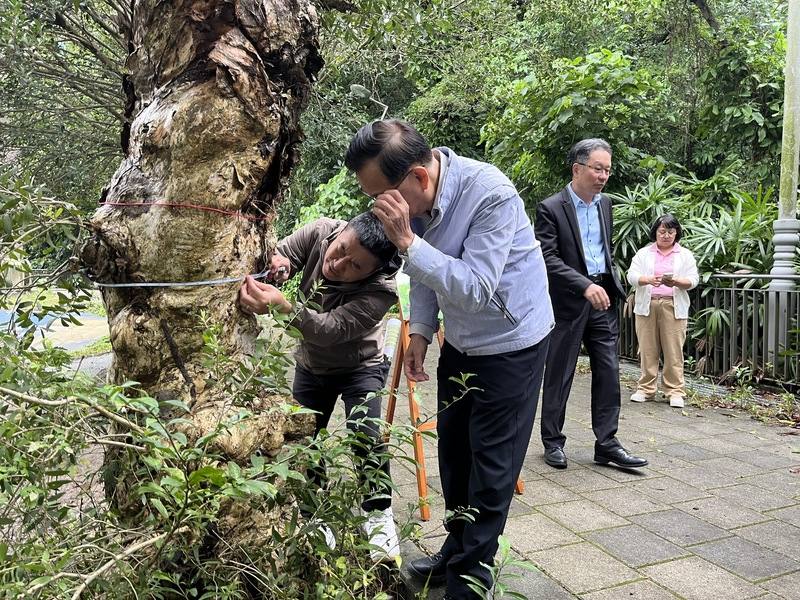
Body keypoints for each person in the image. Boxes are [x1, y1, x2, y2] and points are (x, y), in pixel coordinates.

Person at [346, 119, 553, 599]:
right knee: (454, 453)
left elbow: (477, 289)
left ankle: (471, 575)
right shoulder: (414, 206)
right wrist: (419, 329)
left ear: (420, 177)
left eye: (384, 196)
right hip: (459, 342)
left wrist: (406, 242)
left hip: (512, 342)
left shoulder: (490, 194)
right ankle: (456, 547)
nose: (379, 209)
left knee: (492, 464)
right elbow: (424, 272)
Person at [238, 211, 401, 561]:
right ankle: (314, 514)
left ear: (372, 271)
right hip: (312, 364)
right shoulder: (321, 231)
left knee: (365, 436)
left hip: (361, 366)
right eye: (341, 249)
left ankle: (379, 514)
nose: (338, 263)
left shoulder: (382, 291)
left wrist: (282, 308)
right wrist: (279, 264)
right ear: (342, 232)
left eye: (354, 266)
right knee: (304, 440)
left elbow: (329, 329)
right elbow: (284, 254)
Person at [534, 138, 648, 471]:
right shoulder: (551, 208)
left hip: (603, 298)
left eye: (607, 170)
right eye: (597, 168)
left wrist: (610, 284)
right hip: (569, 302)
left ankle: (607, 443)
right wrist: (583, 284)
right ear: (577, 168)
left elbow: (603, 250)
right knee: (560, 372)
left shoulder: (606, 204)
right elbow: (547, 257)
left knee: (609, 370)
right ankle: (552, 442)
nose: (603, 176)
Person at [627, 214, 699, 408]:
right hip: (647, 305)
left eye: (670, 231)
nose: (666, 235)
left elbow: (693, 280)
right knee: (647, 349)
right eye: (662, 231)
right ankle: (646, 389)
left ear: (676, 233)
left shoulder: (684, 255)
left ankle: (674, 391)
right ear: (655, 232)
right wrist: (647, 280)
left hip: (672, 306)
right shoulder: (644, 253)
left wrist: (675, 281)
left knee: (673, 350)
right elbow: (631, 276)